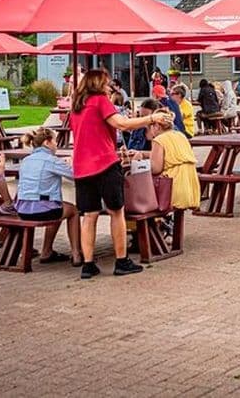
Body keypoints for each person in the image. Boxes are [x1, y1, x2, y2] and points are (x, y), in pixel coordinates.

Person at [70, 69, 172, 279]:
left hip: (81, 166)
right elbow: (122, 124)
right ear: (98, 84)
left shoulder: (77, 106)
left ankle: (88, 264)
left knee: (89, 215)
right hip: (105, 163)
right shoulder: (99, 100)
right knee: (117, 212)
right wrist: (152, 118)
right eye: (107, 83)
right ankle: (121, 260)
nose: (111, 87)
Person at [15, 128, 82, 265]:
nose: (57, 145)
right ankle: (76, 253)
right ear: (47, 142)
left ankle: (47, 251)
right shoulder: (52, 160)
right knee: (73, 210)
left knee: (57, 206)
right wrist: (71, 162)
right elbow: (76, 176)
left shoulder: (26, 160)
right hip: (43, 210)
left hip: (22, 209)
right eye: (55, 141)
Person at [131, 108, 201, 211]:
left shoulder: (159, 140)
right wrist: (143, 153)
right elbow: (168, 155)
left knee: (139, 189)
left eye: (150, 126)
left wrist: (138, 161)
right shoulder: (180, 135)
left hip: (171, 189)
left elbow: (156, 168)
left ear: (157, 126)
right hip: (189, 187)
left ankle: (150, 224)